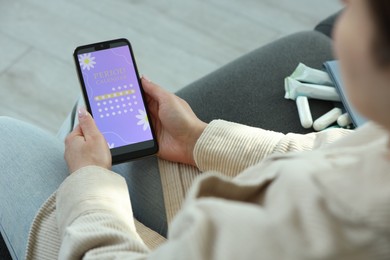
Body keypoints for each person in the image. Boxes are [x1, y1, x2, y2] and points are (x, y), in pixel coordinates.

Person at [1, 0, 390, 258]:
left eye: (354, 8)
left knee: (11, 139)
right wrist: (197, 139)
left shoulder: (321, 220)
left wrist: (90, 185)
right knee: (81, 124)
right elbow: (337, 153)